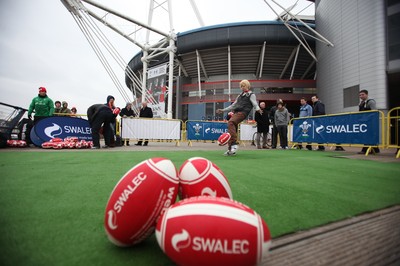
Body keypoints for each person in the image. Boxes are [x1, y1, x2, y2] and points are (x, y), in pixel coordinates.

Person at [216, 79, 261, 156]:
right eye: (241, 86)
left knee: (231, 122)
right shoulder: (239, 96)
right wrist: (223, 110)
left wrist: (258, 109)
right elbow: (233, 105)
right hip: (236, 112)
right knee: (232, 128)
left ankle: (234, 144)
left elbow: (254, 103)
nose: (242, 87)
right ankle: (230, 150)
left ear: (248, 86)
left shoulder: (251, 94)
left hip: (243, 112)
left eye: (244, 86)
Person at [358, 89, 380, 154]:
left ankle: (366, 149)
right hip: (364, 122)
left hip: (370, 122)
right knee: (365, 135)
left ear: (367, 95)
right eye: (360, 95)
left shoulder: (371, 102)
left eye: (362, 94)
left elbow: (374, 112)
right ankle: (375, 149)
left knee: (369, 135)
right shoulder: (361, 103)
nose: (361, 96)